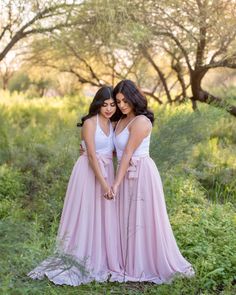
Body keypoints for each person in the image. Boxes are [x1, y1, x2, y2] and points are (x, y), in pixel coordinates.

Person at [28, 86, 122, 286]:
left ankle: (101, 255)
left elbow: (112, 150)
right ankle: (80, 257)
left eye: (113, 105)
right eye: (104, 104)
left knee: (104, 214)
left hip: (107, 169)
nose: (109, 109)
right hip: (89, 172)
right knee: (86, 213)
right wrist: (105, 184)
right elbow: (90, 154)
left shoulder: (114, 124)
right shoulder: (89, 122)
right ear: (97, 104)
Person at [111, 79, 195, 283]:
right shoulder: (120, 120)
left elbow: (128, 153)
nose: (121, 105)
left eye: (124, 100)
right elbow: (115, 149)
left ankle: (143, 263)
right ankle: (125, 259)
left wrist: (115, 184)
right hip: (124, 172)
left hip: (141, 173)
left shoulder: (140, 121)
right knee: (125, 216)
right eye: (118, 101)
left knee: (142, 218)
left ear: (133, 98)